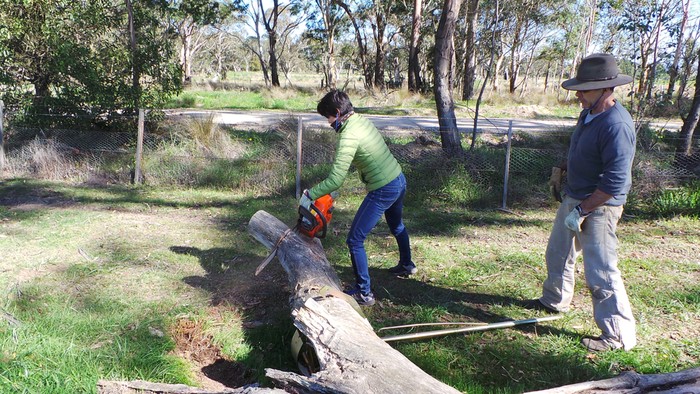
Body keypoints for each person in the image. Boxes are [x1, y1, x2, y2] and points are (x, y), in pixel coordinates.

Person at [524, 53, 637, 352]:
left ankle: (617, 336)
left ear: (606, 89)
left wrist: (583, 210)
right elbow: (583, 149)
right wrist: (563, 168)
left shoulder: (617, 126)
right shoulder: (588, 113)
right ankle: (554, 301)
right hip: (575, 195)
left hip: (600, 205)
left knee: (601, 270)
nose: (578, 95)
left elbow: (614, 183)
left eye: (584, 89)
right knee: (558, 253)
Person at [300, 90, 416, 306]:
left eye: (328, 117)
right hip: (398, 179)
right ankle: (407, 265)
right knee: (397, 225)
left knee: (354, 240)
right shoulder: (360, 120)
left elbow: (335, 180)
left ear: (337, 112)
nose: (328, 123)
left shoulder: (348, 135)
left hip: (384, 188)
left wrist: (310, 195)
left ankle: (364, 293)